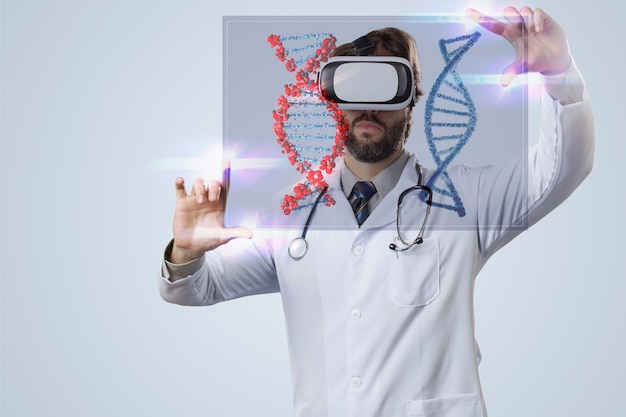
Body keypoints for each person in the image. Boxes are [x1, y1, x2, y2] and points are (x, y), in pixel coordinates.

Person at [159, 6, 594, 417]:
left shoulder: (464, 198)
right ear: (334, 101)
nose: (370, 107)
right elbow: (195, 288)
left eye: (387, 88)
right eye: (355, 88)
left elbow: (562, 168)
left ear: (411, 101)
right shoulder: (292, 215)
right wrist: (185, 252)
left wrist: (561, 79)